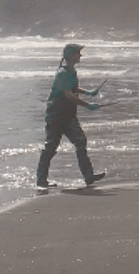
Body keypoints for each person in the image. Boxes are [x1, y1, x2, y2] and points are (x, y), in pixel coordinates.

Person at [37, 43, 107, 188]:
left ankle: (89, 176)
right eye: (78, 53)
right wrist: (87, 105)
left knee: (80, 141)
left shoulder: (71, 71)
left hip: (68, 115)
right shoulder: (63, 73)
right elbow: (68, 95)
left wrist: (87, 92)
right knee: (51, 147)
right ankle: (41, 181)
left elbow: (73, 88)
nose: (80, 56)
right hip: (57, 116)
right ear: (70, 56)